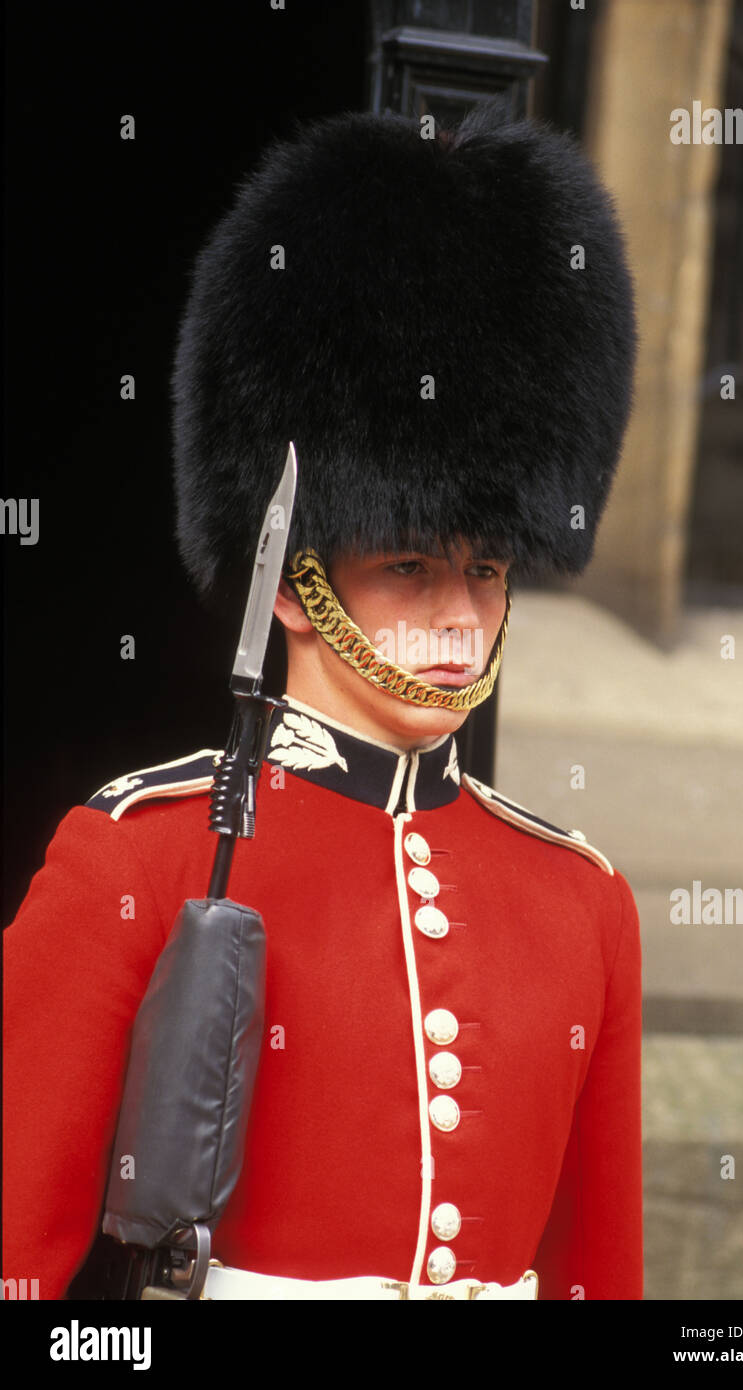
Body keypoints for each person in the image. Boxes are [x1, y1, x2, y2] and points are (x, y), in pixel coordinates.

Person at [3, 101, 641, 1300]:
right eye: (410, 564)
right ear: (295, 584)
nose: (461, 612)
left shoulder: (586, 903)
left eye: (488, 568)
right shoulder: (134, 860)